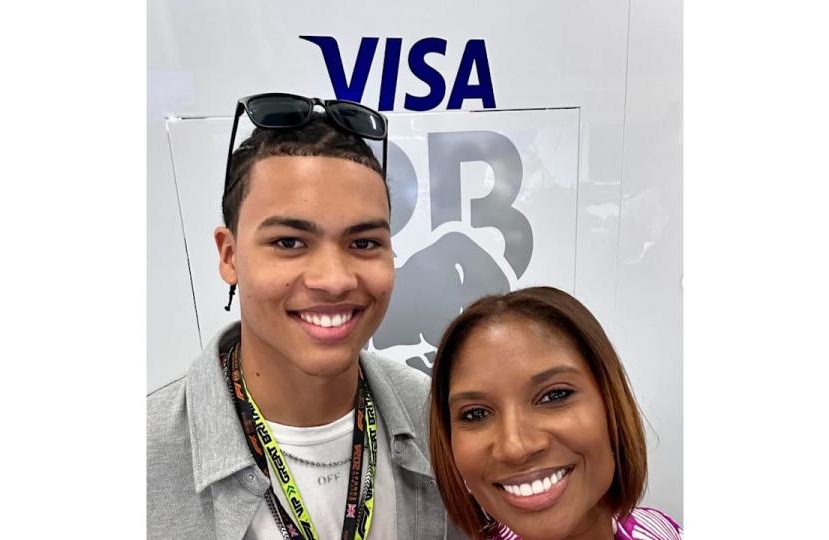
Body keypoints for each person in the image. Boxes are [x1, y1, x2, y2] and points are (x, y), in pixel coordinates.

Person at [148, 93, 463, 539]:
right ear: (230, 255)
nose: (333, 280)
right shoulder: (145, 457)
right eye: (290, 243)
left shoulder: (442, 424)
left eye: (363, 243)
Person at [428, 287, 682, 540]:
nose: (515, 447)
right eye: (476, 414)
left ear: (611, 403)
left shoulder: (662, 530)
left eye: (554, 396)